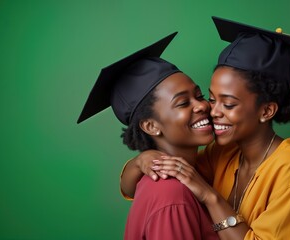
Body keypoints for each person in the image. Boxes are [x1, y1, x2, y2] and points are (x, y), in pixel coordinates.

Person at [120, 17, 290, 239]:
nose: (212, 111)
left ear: (266, 111)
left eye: (228, 104)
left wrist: (210, 196)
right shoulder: (223, 154)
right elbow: (163, 181)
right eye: (211, 99)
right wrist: (141, 161)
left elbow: (194, 186)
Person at [77, 32, 219, 240]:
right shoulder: (172, 195)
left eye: (199, 96)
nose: (202, 105)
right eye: (182, 103)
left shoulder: (194, 172)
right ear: (151, 126)